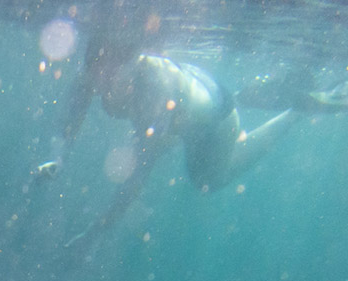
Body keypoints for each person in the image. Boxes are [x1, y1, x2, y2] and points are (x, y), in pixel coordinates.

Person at [36, 19, 303, 248]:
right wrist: (57, 158)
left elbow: (137, 176)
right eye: (98, 71)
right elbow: (69, 120)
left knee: (207, 180)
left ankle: (294, 113)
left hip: (217, 121)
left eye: (111, 73)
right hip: (188, 102)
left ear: (133, 63)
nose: (102, 82)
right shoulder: (92, 72)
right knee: (167, 142)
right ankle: (259, 96)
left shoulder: (154, 90)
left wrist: (95, 232)